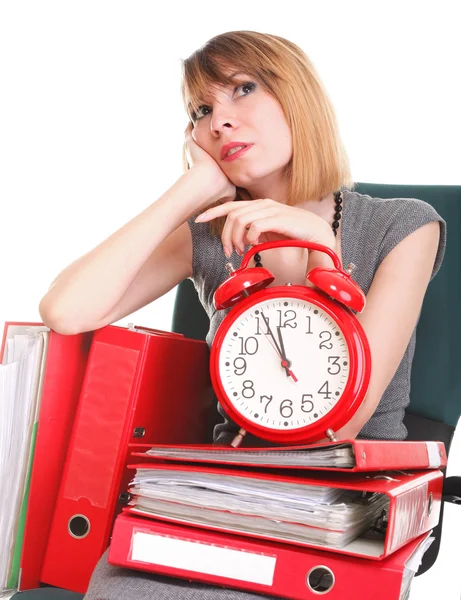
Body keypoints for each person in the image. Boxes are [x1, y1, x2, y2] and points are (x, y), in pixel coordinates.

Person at [38, 30, 446, 600]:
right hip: (228, 492)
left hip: (346, 502)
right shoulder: (210, 235)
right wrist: (193, 190)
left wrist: (320, 254)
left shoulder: (403, 225)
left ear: (295, 94)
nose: (218, 121)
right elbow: (65, 309)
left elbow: (338, 425)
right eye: (202, 110)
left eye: (242, 89)